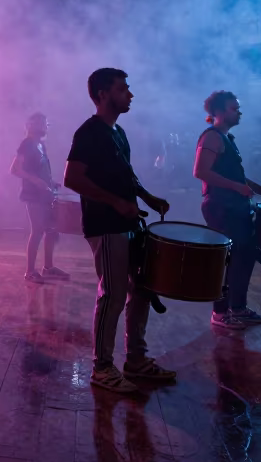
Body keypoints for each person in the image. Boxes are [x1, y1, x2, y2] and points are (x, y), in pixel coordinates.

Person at [64, 68, 174, 395]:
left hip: (128, 222)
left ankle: (136, 359)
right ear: (102, 95)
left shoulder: (118, 133)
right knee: (112, 294)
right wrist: (115, 203)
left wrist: (145, 196)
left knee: (141, 289)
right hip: (105, 225)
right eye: (123, 89)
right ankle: (101, 368)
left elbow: (127, 174)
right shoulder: (89, 132)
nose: (130, 94)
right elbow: (72, 179)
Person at [193, 91, 261, 329]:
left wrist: (251, 185)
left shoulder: (228, 139)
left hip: (234, 206)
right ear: (218, 112)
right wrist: (237, 186)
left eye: (238, 108)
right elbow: (201, 172)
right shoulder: (212, 138)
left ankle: (237, 308)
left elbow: (229, 173)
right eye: (233, 108)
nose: (238, 112)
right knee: (226, 261)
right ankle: (220, 313)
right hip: (220, 207)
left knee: (244, 257)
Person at [11, 112, 68, 283]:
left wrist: (51, 182)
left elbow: (40, 169)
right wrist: (36, 181)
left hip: (45, 194)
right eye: (41, 123)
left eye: (45, 123)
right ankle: (30, 271)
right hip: (33, 195)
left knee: (51, 229)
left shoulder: (40, 145)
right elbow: (15, 169)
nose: (45, 126)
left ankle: (48, 268)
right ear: (31, 125)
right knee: (37, 231)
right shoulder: (26, 144)